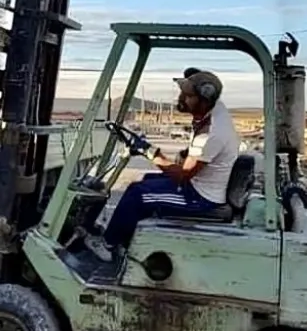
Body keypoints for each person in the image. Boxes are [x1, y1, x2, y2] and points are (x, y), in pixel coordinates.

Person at [85, 69, 240, 262]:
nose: (181, 98)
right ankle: (126, 240)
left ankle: (108, 245)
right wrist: (183, 153)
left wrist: (151, 153)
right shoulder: (213, 111)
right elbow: (202, 155)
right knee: (147, 179)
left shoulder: (211, 133)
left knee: (137, 194)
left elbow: (182, 175)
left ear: (204, 100)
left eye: (188, 96)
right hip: (201, 186)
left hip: (200, 198)